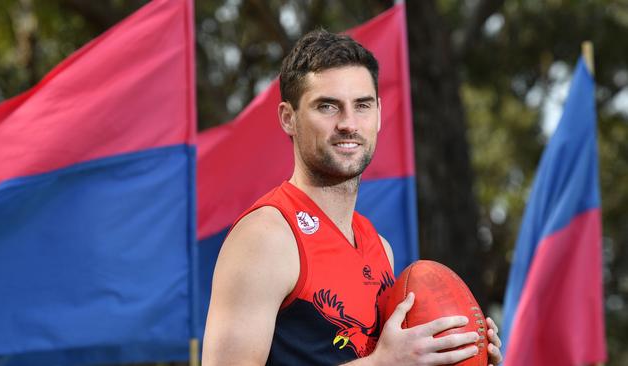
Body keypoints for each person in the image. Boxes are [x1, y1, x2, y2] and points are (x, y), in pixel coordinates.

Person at [202, 29, 503, 366]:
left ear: (378, 113)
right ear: (289, 118)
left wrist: (460, 354)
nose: (348, 123)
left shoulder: (379, 247)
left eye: (361, 105)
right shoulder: (266, 237)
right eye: (327, 106)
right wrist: (382, 363)